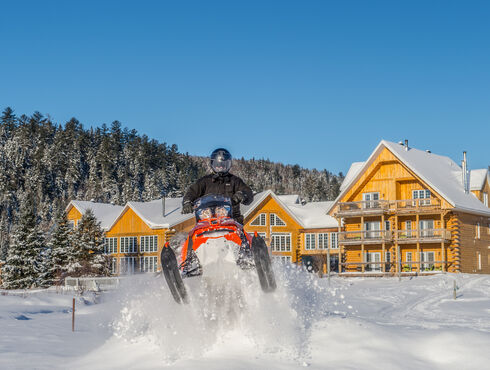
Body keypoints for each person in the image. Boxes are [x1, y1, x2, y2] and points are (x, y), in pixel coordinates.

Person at [182, 148, 253, 224]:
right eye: (217, 165)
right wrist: (187, 202)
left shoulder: (235, 181)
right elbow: (192, 192)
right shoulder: (205, 181)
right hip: (207, 220)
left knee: (243, 235)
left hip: (232, 220)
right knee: (192, 234)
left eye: (223, 165)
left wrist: (243, 195)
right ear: (212, 164)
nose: (220, 167)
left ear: (229, 164)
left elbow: (248, 192)